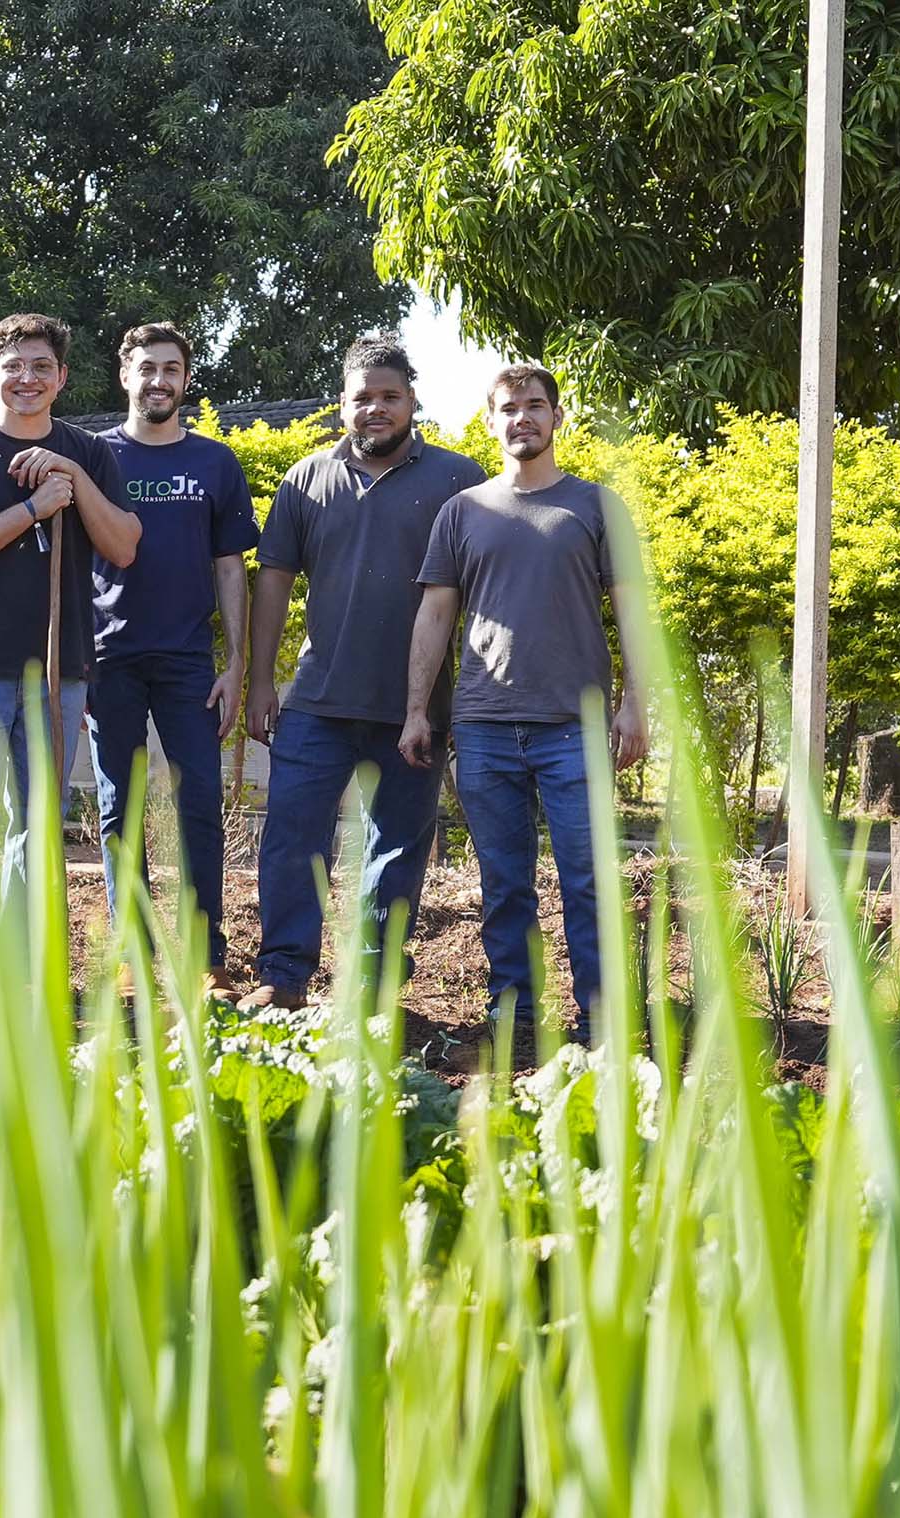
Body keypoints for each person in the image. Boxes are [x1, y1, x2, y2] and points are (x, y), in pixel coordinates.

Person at [401, 364, 652, 1047]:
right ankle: (512, 1022)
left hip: (576, 728)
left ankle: (602, 1024)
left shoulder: (596, 507)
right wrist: (417, 710)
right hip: (482, 728)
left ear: (557, 417)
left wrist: (636, 703)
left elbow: (633, 610)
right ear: (492, 421)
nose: (523, 419)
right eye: (509, 408)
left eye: (535, 406)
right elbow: (434, 615)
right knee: (505, 887)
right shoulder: (464, 511)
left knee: (588, 883)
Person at [239, 335, 487, 1011]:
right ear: (340, 404)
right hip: (318, 699)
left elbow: (484, 588)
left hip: (415, 708)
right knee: (293, 835)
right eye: (361, 398)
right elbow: (273, 586)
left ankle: (373, 986)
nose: (374, 409)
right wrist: (262, 682)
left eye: (389, 397)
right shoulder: (305, 481)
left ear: (412, 402)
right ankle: (284, 975)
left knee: (397, 850)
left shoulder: (459, 481)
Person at [0, 312, 140, 983]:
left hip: (58, 670)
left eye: (42, 367)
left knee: (36, 826)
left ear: (62, 378)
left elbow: (123, 545)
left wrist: (72, 476)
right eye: (14, 366)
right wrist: (34, 510)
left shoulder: (89, 453)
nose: (27, 378)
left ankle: (15, 975)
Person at [85, 321, 259, 977]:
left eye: (171, 369)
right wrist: (75, 664)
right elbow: (73, 564)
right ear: (125, 375)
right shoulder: (94, 457)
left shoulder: (214, 462)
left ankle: (207, 957)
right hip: (108, 661)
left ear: (186, 380)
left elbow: (230, 567)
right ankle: (133, 952)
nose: (159, 380)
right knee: (116, 811)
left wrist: (236, 662)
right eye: (147, 367)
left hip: (188, 664)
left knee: (198, 810)